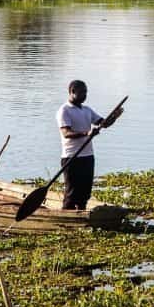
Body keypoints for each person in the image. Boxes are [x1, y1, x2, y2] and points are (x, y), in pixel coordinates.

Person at [56, 80, 120, 210]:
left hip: (87, 156)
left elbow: (104, 123)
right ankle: (66, 218)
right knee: (71, 193)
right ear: (72, 92)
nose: (85, 95)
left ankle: (81, 215)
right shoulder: (64, 110)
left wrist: (114, 117)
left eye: (86, 92)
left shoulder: (86, 110)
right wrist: (87, 133)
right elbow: (66, 133)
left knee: (85, 193)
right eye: (82, 92)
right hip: (72, 157)